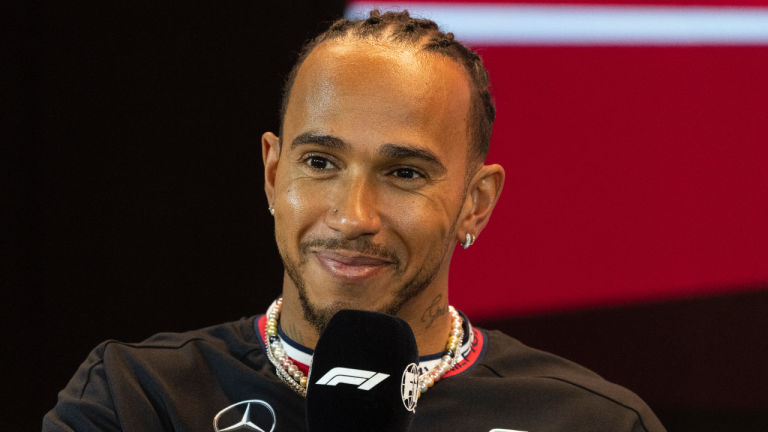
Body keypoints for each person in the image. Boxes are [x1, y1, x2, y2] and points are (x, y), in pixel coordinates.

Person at [44, 10, 665, 432]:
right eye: (320, 162)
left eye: (405, 173)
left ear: (477, 201)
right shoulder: (137, 400)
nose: (352, 216)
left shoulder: (593, 421)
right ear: (272, 172)